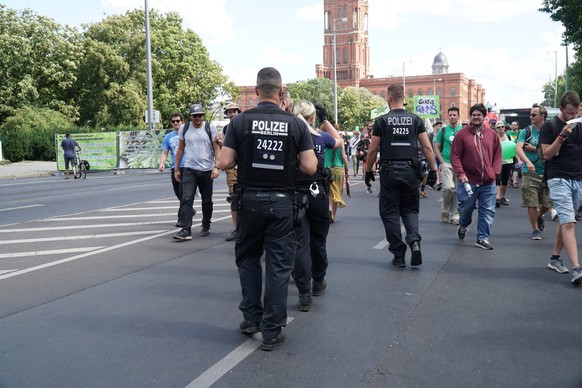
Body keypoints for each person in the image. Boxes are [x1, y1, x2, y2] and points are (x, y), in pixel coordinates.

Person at [217, 67, 317, 351]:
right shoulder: (295, 125)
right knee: (278, 265)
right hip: (283, 203)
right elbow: (310, 167)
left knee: (248, 258)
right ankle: (272, 331)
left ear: (257, 91)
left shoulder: (240, 122)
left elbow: (224, 163)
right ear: (281, 92)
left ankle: (251, 318)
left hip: (248, 202)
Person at [365, 84, 437, 268]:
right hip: (410, 171)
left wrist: (368, 171)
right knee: (410, 210)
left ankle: (398, 254)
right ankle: (414, 242)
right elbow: (427, 147)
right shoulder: (415, 120)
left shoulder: (381, 121)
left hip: (389, 171)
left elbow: (373, 149)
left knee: (390, 213)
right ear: (403, 98)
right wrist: (433, 170)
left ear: (388, 99)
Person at [292, 100, 343, 312]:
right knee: (318, 241)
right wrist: (325, 119)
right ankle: (318, 280)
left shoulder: (291, 137)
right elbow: (339, 141)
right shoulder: (319, 138)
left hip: (295, 195)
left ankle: (304, 292)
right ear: (312, 117)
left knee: (299, 245)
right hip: (317, 193)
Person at [541, 91, 582, 283]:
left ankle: (555, 258)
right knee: (568, 223)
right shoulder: (550, 126)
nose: (574, 117)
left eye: (577, 113)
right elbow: (547, 155)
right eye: (570, 113)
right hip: (558, 178)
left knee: (566, 220)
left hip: (578, 179)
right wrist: (562, 136)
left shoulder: (580, 124)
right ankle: (576, 268)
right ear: (562, 109)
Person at [451, 103, 502, 250]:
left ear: (484, 116)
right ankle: (463, 225)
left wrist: (495, 173)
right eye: (473, 115)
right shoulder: (462, 135)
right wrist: (461, 174)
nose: (476, 117)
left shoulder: (492, 135)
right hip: (468, 182)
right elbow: (455, 156)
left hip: (488, 183)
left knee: (487, 211)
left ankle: (482, 238)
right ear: (470, 117)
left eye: (479, 115)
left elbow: (498, 155)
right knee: (465, 210)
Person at [173, 104, 221, 240]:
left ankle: (206, 224)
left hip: (206, 170)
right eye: (195, 116)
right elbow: (180, 149)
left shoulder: (209, 127)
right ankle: (185, 229)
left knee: (207, 200)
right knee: (186, 198)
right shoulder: (185, 128)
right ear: (190, 117)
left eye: (200, 115)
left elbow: (217, 149)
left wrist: (216, 167)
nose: (197, 118)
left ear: (203, 116)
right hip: (189, 169)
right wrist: (177, 169)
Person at [515, 103, 553, 240]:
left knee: (549, 203)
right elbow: (518, 149)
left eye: (533, 114)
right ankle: (535, 229)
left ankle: (539, 215)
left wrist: (535, 148)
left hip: (548, 171)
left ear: (542, 116)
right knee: (531, 202)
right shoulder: (526, 131)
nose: (530, 117)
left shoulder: (550, 130)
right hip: (530, 171)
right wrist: (527, 161)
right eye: (530, 114)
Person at [434, 107, 462, 225]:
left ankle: (455, 215)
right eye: (450, 115)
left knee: (456, 191)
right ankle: (445, 210)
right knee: (447, 188)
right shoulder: (443, 131)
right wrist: (441, 162)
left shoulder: (464, 130)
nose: (452, 117)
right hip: (446, 162)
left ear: (458, 116)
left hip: (460, 164)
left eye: (454, 115)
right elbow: (436, 147)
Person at [159, 112, 185, 226]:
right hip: (175, 168)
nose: (175, 123)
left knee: (184, 194)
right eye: (173, 121)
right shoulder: (168, 137)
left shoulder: (187, 133)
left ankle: (181, 218)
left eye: (177, 121)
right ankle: (189, 210)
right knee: (178, 193)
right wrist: (162, 163)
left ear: (182, 121)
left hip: (187, 167)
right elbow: (165, 152)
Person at [222, 102, 241, 241]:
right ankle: (236, 229)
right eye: (229, 112)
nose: (232, 114)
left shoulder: (245, 124)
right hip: (232, 167)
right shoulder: (225, 129)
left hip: (246, 167)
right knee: (234, 197)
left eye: (234, 111)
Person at [494, 121, 514, 208]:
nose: (500, 129)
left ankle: (502, 197)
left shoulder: (509, 137)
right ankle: (497, 198)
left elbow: (515, 148)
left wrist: (519, 159)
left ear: (504, 128)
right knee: (497, 180)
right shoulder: (494, 138)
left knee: (505, 181)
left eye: (502, 127)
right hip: (497, 162)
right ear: (496, 129)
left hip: (508, 162)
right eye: (498, 127)